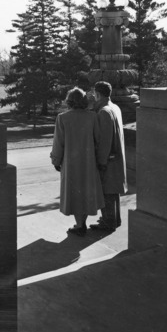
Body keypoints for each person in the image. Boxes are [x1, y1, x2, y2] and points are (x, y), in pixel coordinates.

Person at [50, 87, 105, 236]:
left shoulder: (62, 118)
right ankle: (82, 224)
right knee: (86, 191)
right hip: (89, 161)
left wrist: (56, 160)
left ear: (69, 101)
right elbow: (98, 140)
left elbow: (58, 143)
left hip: (70, 163)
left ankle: (79, 225)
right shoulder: (92, 117)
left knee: (74, 193)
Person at [91, 81, 127, 232]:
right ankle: (114, 219)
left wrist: (101, 161)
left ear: (97, 94)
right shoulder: (115, 107)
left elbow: (104, 141)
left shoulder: (103, 112)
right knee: (113, 192)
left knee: (107, 192)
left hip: (109, 159)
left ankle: (108, 222)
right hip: (117, 157)